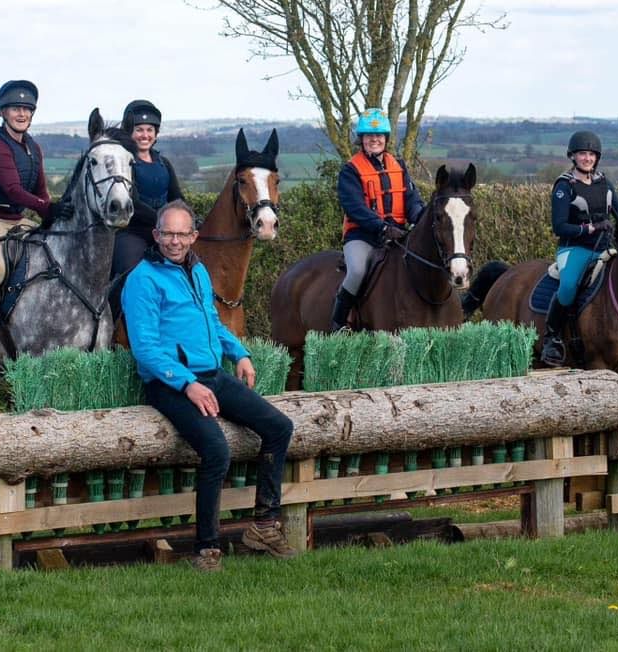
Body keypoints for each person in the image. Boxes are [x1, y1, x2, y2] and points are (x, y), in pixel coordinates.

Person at [122, 199, 296, 572]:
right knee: (217, 449)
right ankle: (206, 549)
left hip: (213, 375)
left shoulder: (198, 271)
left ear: (194, 236)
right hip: (171, 384)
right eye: (167, 233)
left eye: (182, 234)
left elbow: (214, 325)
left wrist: (240, 353)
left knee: (280, 428)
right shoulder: (142, 279)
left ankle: (264, 526)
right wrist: (187, 385)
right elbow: (146, 350)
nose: (174, 241)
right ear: (156, 235)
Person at [0, 80, 72, 359]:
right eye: (15, 109)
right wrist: (47, 209)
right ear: (2, 113)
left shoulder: (33, 148)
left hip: (14, 219)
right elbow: (12, 190)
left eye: (26, 109)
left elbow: (40, 191)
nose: (21, 114)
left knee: (52, 253)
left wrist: (51, 216)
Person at [331, 107, 426, 331]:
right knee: (357, 271)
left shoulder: (399, 166)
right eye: (369, 136)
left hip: (399, 234)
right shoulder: (350, 170)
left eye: (379, 135)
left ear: (386, 138)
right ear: (361, 139)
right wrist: (381, 227)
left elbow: (411, 198)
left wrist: (421, 216)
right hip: (363, 236)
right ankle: (339, 323)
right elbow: (355, 207)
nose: (375, 139)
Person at [541, 130, 618, 366]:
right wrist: (589, 229)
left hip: (605, 249)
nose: (587, 158)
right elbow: (559, 226)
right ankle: (552, 339)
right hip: (574, 249)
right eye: (582, 154)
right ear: (573, 156)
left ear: (596, 157)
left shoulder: (606, 183)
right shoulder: (564, 185)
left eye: (591, 154)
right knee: (568, 287)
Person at [110, 99, 185, 279]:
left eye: (149, 130)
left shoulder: (164, 163)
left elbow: (177, 197)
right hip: (133, 233)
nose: (145, 135)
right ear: (130, 133)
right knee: (132, 272)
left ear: (156, 134)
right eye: (139, 130)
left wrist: (189, 219)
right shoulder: (125, 164)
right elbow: (132, 203)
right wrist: (164, 222)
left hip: (165, 231)